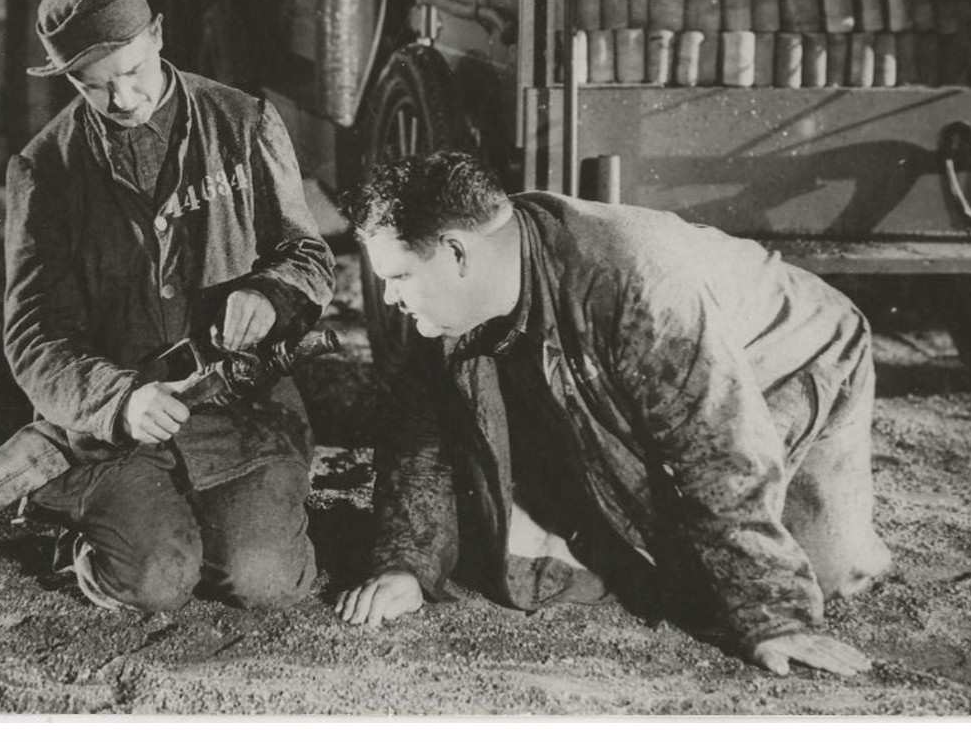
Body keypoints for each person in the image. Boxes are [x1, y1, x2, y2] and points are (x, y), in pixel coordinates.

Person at [335, 151, 891, 677]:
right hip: (635, 374)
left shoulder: (629, 278)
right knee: (536, 547)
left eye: (400, 276)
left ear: (457, 253)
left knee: (808, 576)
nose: (387, 298)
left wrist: (772, 614)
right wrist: (405, 563)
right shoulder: (464, 294)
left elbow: (720, 445)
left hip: (791, 356)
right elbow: (420, 434)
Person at [4, 0, 334, 613]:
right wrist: (117, 399)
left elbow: (308, 255)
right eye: (93, 86)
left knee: (264, 579)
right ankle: (105, 540)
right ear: (70, 79)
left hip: (238, 410)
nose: (121, 98)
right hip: (119, 430)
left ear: (157, 35)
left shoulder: (244, 123)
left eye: (131, 72)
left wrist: (270, 293)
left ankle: (204, 528)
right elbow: (33, 336)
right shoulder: (46, 170)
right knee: (154, 581)